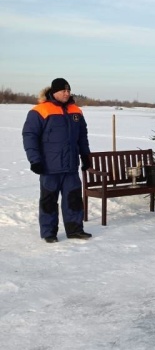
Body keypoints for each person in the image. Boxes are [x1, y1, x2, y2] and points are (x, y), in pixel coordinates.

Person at [22, 77, 92, 243]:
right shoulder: (40, 111)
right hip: (49, 167)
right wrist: (34, 160)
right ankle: (48, 233)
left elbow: (82, 137)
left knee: (74, 199)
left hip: (70, 167)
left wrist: (86, 156)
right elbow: (29, 136)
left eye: (69, 90)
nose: (67, 93)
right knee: (49, 202)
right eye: (63, 90)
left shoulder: (76, 111)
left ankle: (75, 230)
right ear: (54, 92)